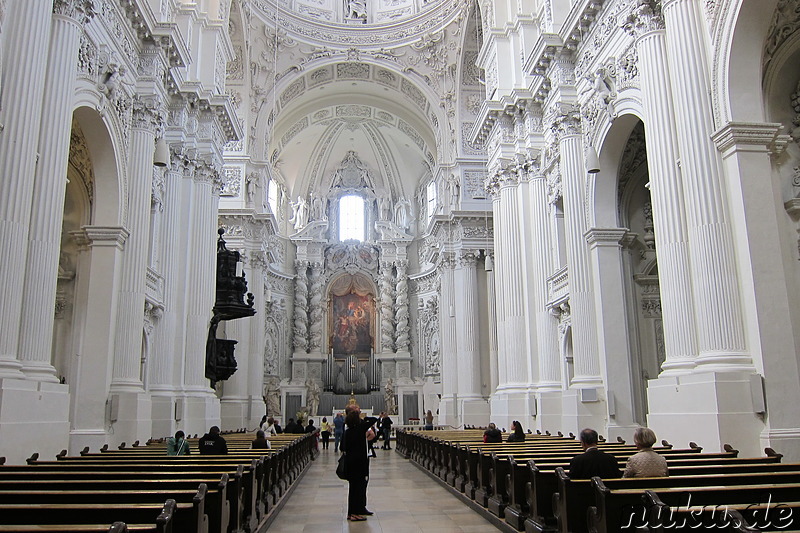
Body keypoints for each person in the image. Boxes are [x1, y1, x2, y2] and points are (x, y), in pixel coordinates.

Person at [341, 404, 378, 521]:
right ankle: (355, 513)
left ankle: (352, 512)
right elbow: (373, 420)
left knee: (353, 489)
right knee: (357, 489)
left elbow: (342, 446)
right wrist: (364, 419)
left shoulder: (347, 432)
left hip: (350, 463)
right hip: (359, 463)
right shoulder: (360, 429)